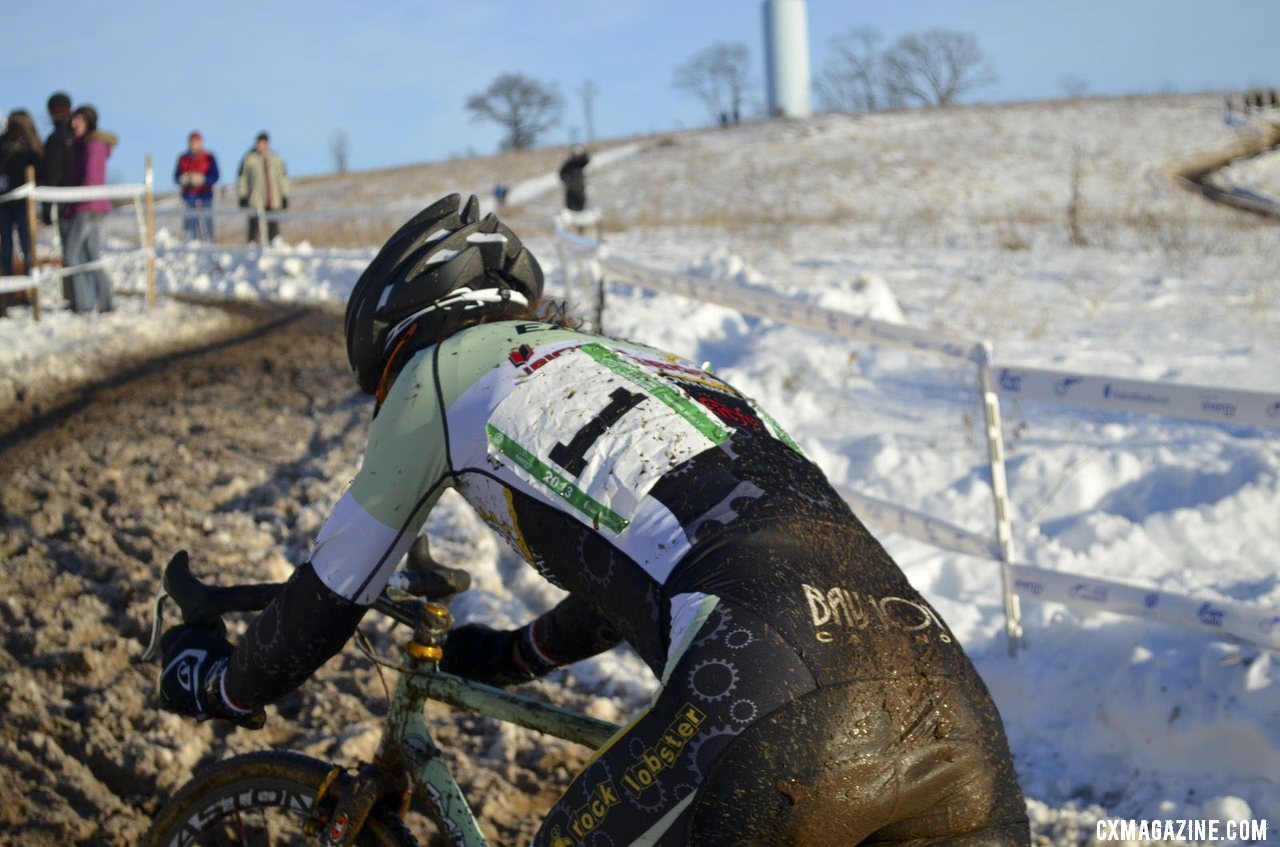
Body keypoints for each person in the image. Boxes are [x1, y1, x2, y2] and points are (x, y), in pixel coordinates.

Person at [158, 194, 1031, 845]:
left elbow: (332, 589)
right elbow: (673, 550)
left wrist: (224, 684)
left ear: (397, 342)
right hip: (946, 698)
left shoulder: (434, 375)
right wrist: (512, 654)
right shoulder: (653, 367)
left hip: (773, 692)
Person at [63, 104, 117, 313]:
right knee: (90, 254)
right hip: (88, 206)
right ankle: (103, 302)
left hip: (87, 206)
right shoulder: (81, 146)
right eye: (74, 119)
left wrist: (74, 203)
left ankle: (85, 304)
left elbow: (91, 179)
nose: (75, 123)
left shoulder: (92, 145)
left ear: (88, 123)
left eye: (80, 120)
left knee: (72, 254)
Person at [39, 92, 76, 300]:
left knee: (70, 252)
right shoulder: (78, 136)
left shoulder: (55, 140)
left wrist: (46, 207)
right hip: (81, 200)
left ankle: (73, 296)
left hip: (64, 202)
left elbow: (51, 175)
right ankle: (78, 296)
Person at [0, 110, 43, 277]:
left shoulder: (32, 147)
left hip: (24, 202)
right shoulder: (2, 144)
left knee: (27, 244)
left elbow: (40, 171)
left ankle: (30, 281)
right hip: (3, 202)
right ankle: (8, 286)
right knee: (6, 247)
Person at [237, 131, 289, 244]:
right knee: (254, 224)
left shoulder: (276, 159)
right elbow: (242, 178)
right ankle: (252, 245)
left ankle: (274, 245)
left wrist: (284, 196)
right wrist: (243, 196)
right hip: (255, 198)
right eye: (258, 143)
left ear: (267, 143)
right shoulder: (249, 159)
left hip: (272, 198)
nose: (259, 145)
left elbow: (283, 178)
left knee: (273, 224)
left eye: (262, 143)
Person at [174, 130, 219, 241]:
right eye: (191, 142)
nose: (193, 144)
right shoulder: (183, 158)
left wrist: (202, 179)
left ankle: (209, 247)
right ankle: (190, 249)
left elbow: (215, 176)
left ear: (201, 143)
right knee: (189, 228)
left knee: (206, 227)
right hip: (188, 198)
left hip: (205, 197)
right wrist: (183, 179)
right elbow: (176, 177)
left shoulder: (209, 157)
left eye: (196, 142)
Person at [558, 143, 590, 212]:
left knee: (581, 207)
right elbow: (561, 173)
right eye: (576, 154)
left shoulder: (580, 163)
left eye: (579, 154)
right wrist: (566, 181)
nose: (577, 156)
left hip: (580, 188)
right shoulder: (569, 164)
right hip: (571, 189)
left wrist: (583, 153)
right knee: (571, 208)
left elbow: (587, 160)